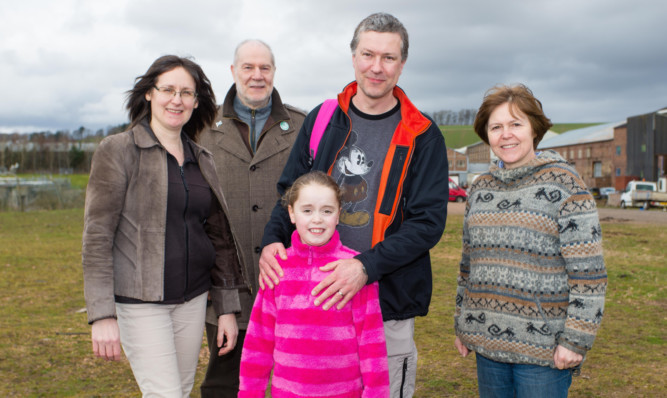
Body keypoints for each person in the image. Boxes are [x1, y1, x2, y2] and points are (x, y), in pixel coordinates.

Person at [259, 13, 449, 397]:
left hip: (385, 300)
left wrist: (365, 267)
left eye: (389, 57)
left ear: (402, 63)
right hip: (314, 296)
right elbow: (289, 191)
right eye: (368, 54)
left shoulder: (423, 134)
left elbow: (427, 222)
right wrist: (271, 240)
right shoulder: (324, 119)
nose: (376, 67)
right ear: (353, 57)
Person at [82, 55, 244, 397]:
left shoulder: (203, 159)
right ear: (149, 94)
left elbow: (220, 238)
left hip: (193, 300)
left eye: (186, 92)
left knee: (180, 391)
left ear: (196, 102)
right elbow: (97, 238)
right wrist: (101, 315)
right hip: (140, 302)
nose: (177, 99)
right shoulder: (118, 150)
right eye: (168, 89)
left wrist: (227, 308)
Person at [453, 84, 607, 398]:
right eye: (496, 127)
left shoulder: (566, 186)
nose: (506, 134)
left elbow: (588, 274)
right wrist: (463, 322)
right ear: (487, 135)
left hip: (544, 352)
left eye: (515, 124)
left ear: (534, 128)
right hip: (488, 346)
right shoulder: (481, 189)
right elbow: (468, 265)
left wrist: (575, 340)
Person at [198, 39, 305, 396]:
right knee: (225, 384)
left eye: (265, 68)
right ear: (233, 71)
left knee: (296, 380)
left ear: (274, 72)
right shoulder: (201, 128)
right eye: (248, 67)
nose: (257, 76)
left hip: (290, 285)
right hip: (226, 284)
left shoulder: (303, 126)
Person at [239, 171, 389, 397]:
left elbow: (372, 346)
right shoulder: (276, 269)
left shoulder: (355, 270)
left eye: (326, 211)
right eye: (307, 210)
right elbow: (258, 342)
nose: (317, 219)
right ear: (291, 213)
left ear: (338, 214)